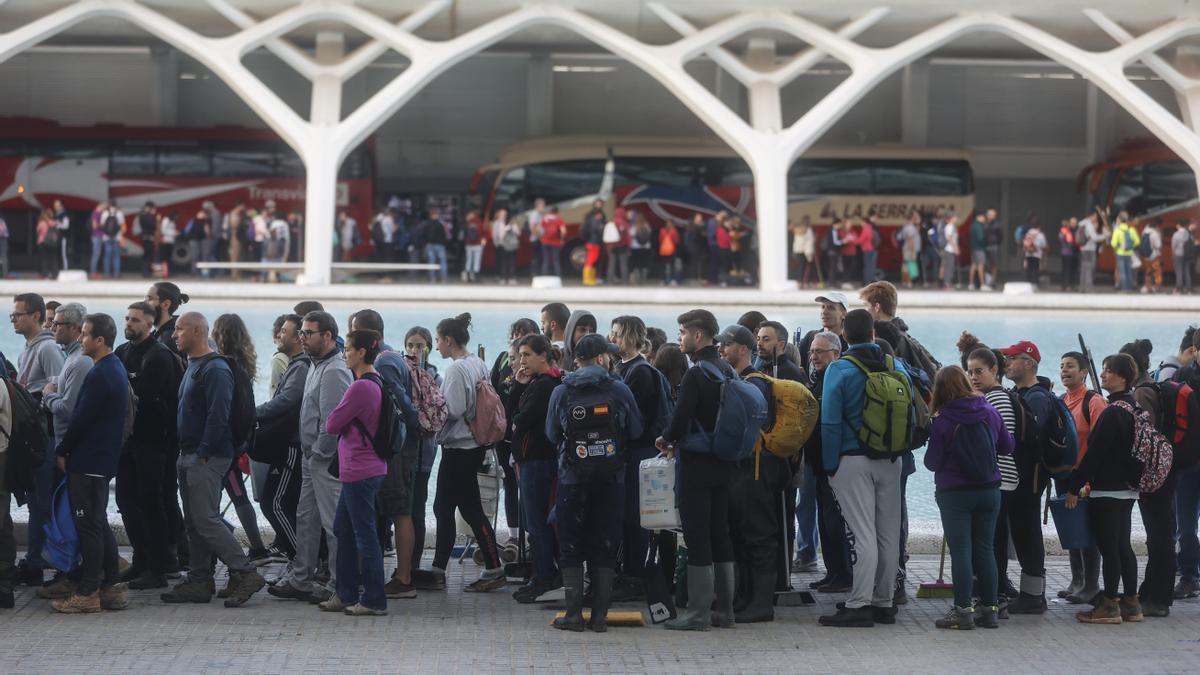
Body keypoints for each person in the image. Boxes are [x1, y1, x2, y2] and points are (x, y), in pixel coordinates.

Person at [817, 309, 913, 628]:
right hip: (892, 459)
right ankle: (884, 602)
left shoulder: (839, 368)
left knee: (861, 533)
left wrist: (830, 465)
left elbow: (830, 422)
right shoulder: (894, 365)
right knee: (888, 534)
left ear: (844, 335)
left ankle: (859, 603)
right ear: (873, 334)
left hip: (852, 459)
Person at [163, 312, 266, 607]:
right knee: (195, 521)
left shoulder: (216, 369)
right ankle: (199, 579)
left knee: (206, 519)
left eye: (180, 329)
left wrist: (204, 452)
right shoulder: (193, 365)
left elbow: (218, 414)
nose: (174, 334)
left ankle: (245, 571)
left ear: (198, 331)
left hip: (206, 456)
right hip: (190, 453)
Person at [546, 333, 642, 631]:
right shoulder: (620, 389)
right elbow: (636, 430)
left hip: (571, 478)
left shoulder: (561, 391)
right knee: (605, 545)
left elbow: (551, 433)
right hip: (612, 479)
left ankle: (574, 615)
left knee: (570, 546)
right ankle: (600, 617)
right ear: (601, 358)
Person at [654, 309, 736, 631]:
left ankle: (699, 613)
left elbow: (679, 421)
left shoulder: (696, 374)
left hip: (696, 463)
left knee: (697, 534)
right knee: (720, 533)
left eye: (683, 333)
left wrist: (665, 438)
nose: (680, 339)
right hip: (724, 460)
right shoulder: (727, 369)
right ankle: (725, 611)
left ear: (698, 335)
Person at [268, 311, 351, 603]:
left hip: (323, 459)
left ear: (327, 336)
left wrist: (318, 454)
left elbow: (332, 422)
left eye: (307, 333)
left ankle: (340, 583)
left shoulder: (335, 370)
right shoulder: (315, 365)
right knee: (306, 519)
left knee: (332, 523)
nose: (301, 338)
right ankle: (302, 577)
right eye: (301, 332)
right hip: (311, 456)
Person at [50, 313, 129, 613]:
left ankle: (88, 592)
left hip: (89, 461)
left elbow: (81, 419)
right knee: (98, 523)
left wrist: (63, 449)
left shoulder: (100, 374)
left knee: (88, 527)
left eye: (84, 334)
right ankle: (111, 587)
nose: (80, 339)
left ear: (100, 340)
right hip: (102, 459)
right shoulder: (114, 367)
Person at [924, 365, 1013, 629]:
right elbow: (1007, 446)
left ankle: (963, 610)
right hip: (989, 490)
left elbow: (932, 462)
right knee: (985, 549)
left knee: (961, 550)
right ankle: (990, 609)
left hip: (955, 493)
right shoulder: (989, 411)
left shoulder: (943, 420)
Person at [428, 313, 505, 591]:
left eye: (438, 340)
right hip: (472, 444)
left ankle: (493, 568)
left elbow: (454, 409)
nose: (437, 346)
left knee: (467, 509)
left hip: (459, 446)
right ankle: (439, 568)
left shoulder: (456, 370)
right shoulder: (477, 363)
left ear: (449, 340)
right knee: (445, 507)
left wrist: (431, 404)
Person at [347, 310, 419, 600]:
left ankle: (404, 578)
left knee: (399, 511)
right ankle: (380, 574)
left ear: (371, 339)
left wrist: (398, 438)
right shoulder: (392, 357)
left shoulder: (384, 362)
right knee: (384, 511)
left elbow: (402, 406)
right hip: (393, 448)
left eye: (355, 333)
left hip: (393, 450)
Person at [1067, 353, 1143, 624]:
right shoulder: (1135, 407)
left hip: (1107, 488)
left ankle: (1109, 605)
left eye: (1108, 371)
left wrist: (1074, 486)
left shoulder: (1113, 412)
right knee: (1123, 546)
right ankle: (1132, 603)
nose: (1103, 375)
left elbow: (1094, 454)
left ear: (1122, 377)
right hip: (1129, 488)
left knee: (1109, 548)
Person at [716, 324, 786, 623]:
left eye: (727, 345)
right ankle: (746, 597)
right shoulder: (741, 380)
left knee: (759, 535)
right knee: (743, 535)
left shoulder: (755, 382)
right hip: (745, 468)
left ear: (743, 349)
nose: (721, 349)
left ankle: (762, 603)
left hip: (757, 468)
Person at [318, 329, 391, 616]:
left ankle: (374, 599)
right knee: (343, 529)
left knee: (365, 535)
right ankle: (346, 592)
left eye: (347, 349)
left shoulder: (360, 387)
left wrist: (340, 413)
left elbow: (332, 424)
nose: (343, 353)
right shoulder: (376, 380)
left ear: (362, 352)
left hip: (361, 470)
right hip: (365, 468)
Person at [112, 302, 183, 591]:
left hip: (154, 442)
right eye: (127, 318)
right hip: (128, 441)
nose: (129, 323)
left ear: (150, 325)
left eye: (135, 320)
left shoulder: (159, 356)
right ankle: (141, 560)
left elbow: (143, 397)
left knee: (151, 502)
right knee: (125, 500)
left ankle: (158, 566)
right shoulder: (122, 352)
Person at [35, 303, 90, 600]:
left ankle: (81, 578)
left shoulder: (79, 362)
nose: (51, 328)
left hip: (71, 450)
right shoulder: (70, 357)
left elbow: (69, 409)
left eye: (56, 324)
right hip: (66, 448)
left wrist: (48, 395)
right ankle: (73, 573)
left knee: (79, 517)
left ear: (75, 328)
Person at [610, 316, 668, 601]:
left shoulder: (640, 371)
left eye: (618, 334)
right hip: (630, 450)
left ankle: (634, 575)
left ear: (632, 337)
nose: (612, 340)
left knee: (635, 516)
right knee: (627, 515)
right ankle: (628, 571)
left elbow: (635, 418)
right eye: (612, 334)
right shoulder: (625, 367)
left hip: (639, 451)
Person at [12, 292, 64, 586]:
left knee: (42, 502)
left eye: (18, 315)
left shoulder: (48, 349)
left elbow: (60, 391)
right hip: (33, 438)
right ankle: (36, 558)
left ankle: (38, 560)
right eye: (12, 315)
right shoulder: (28, 349)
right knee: (35, 502)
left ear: (36, 316)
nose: (13, 320)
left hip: (45, 437)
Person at [997, 340, 1053, 613]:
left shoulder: (1037, 398)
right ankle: (1027, 593)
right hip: (1021, 475)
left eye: (1013, 358)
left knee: (1027, 533)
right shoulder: (1020, 394)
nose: (1007, 363)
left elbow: (1031, 440)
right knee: (1021, 531)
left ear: (1029, 363)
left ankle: (1033, 597)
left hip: (1028, 477)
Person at [507, 334, 563, 603]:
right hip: (534, 460)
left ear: (543, 355)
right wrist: (518, 387)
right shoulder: (538, 383)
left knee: (537, 522)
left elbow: (521, 419)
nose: (522, 361)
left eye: (527, 355)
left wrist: (517, 417)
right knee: (537, 521)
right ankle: (543, 574)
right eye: (520, 355)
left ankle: (544, 577)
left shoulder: (545, 386)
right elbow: (511, 416)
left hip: (538, 461)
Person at [254, 314, 309, 566]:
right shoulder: (297, 364)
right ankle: (298, 560)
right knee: (278, 502)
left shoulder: (300, 366)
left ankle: (301, 562)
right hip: (290, 444)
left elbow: (286, 400)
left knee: (275, 503)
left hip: (293, 445)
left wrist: (253, 413)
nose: (279, 335)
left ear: (298, 337)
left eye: (285, 331)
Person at [804, 331, 853, 593]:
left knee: (835, 522)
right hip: (819, 463)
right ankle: (833, 572)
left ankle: (843, 574)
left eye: (819, 352)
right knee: (824, 521)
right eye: (812, 351)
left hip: (834, 463)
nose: (814, 357)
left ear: (836, 353)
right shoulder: (819, 379)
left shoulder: (837, 379)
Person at [1059, 351, 1106, 604]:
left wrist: (1087, 477)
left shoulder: (1094, 401)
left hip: (1086, 476)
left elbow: (1101, 443)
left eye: (1070, 366)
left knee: (1086, 530)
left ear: (1084, 372)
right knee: (1071, 528)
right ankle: (1076, 580)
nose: (1064, 371)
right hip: (1064, 475)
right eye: (1062, 366)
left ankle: (1090, 584)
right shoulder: (1060, 400)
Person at [402, 326, 441, 588]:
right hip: (402, 452)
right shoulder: (400, 371)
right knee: (402, 507)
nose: (414, 351)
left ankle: (413, 564)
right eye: (410, 345)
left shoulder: (434, 376)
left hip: (423, 453)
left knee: (417, 507)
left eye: (420, 346)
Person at [796, 293, 849, 374]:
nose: (824, 312)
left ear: (844, 314)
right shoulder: (810, 338)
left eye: (831, 308)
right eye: (823, 307)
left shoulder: (848, 344)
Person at [145, 282, 189, 355]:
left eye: (149, 299)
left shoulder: (168, 341)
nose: (144, 303)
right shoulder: (159, 334)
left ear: (166, 304)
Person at [1079, 209, 1108, 293]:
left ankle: (1082, 287)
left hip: (1083, 249)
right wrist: (1104, 236)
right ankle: (1089, 287)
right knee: (1090, 269)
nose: (1096, 218)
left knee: (1084, 269)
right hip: (1089, 249)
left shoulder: (1083, 223)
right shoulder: (1089, 226)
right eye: (1095, 216)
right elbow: (1095, 238)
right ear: (1090, 216)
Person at [1111, 212, 1141, 293]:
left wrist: (1119, 247)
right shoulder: (1131, 230)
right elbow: (1137, 242)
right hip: (1129, 253)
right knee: (1129, 271)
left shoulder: (1117, 230)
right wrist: (1130, 246)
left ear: (1120, 220)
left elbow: (1113, 243)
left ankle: (1124, 289)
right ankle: (1129, 288)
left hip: (1120, 253)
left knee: (1122, 272)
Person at [492, 209, 520, 285]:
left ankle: (511, 277)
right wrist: (505, 229)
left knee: (511, 262)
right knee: (503, 262)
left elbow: (518, 233)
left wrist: (513, 228)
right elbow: (498, 235)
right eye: (502, 214)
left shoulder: (513, 224)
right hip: (503, 245)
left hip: (512, 245)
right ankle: (503, 277)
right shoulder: (498, 223)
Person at [895, 212, 921, 289]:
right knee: (910, 265)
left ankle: (904, 281)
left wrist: (917, 218)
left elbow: (918, 224)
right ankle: (909, 282)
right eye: (915, 217)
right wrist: (912, 250)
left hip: (907, 249)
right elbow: (910, 239)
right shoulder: (910, 227)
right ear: (912, 218)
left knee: (905, 266)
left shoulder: (908, 226)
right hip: (910, 249)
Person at [1141, 220, 1165, 294]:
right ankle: (1157, 287)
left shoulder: (1144, 232)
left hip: (1146, 256)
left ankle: (1148, 287)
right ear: (1156, 226)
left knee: (1148, 272)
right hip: (1154, 256)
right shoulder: (1154, 233)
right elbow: (1158, 245)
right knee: (1157, 272)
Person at [790, 218, 815, 288]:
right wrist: (809, 252)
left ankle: (799, 282)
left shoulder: (796, 230)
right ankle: (805, 282)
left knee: (800, 267)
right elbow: (809, 242)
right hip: (806, 251)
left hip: (798, 250)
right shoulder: (808, 230)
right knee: (806, 268)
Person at [540, 206, 564, 278]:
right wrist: (562, 239)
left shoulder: (544, 219)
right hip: (556, 242)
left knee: (545, 259)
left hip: (545, 241)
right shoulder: (559, 220)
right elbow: (563, 231)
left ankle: (544, 275)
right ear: (557, 212)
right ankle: (558, 276)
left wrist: (541, 238)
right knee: (556, 260)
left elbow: (539, 229)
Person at [36, 208, 59, 279]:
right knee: (54, 259)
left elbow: (38, 230)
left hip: (43, 242)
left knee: (44, 259)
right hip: (52, 242)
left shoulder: (42, 223)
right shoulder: (54, 222)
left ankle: (45, 274)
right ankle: (55, 274)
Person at [462, 211, 484, 283]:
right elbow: (482, 232)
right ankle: (476, 276)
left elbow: (464, 234)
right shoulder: (479, 222)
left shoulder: (467, 223)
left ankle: (468, 276)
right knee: (476, 260)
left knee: (469, 260)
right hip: (477, 244)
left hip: (468, 244)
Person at [1059, 218, 1080, 291]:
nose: (1073, 224)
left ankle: (1072, 285)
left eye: (1075, 223)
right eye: (1072, 223)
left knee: (1074, 270)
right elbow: (1061, 240)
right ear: (1069, 223)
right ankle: (1065, 285)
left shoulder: (1078, 230)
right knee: (1066, 269)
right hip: (1067, 252)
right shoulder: (1065, 230)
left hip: (1075, 252)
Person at [1173, 219, 1193, 294]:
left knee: (1179, 271)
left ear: (1179, 225)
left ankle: (1179, 288)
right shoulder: (1188, 234)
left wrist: (1174, 253)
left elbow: (1173, 246)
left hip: (1178, 254)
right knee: (1186, 271)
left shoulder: (1176, 234)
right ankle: (1188, 288)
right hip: (1187, 255)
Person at [659, 218, 682, 286]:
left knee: (663, 266)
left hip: (663, 251)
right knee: (672, 266)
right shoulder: (674, 231)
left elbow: (660, 240)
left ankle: (663, 280)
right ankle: (672, 280)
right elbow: (676, 241)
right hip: (672, 251)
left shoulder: (662, 230)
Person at [969, 212, 988, 291]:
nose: (984, 219)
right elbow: (981, 237)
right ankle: (982, 284)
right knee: (981, 266)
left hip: (973, 248)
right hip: (980, 248)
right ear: (979, 217)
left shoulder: (973, 225)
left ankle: (971, 284)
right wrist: (986, 243)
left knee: (973, 265)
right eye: (984, 217)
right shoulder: (979, 226)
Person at [941, 213, 960, 290]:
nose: (956, 218)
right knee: (949, 267)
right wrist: (955, 248)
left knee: (950, 267)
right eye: (955, 217)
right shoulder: (949, 226)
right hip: (949, 249)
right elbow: (949, 238)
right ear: (951, 218)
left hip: (951, 249)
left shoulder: (951, 226)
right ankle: (946, 284)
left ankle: (948, 283)